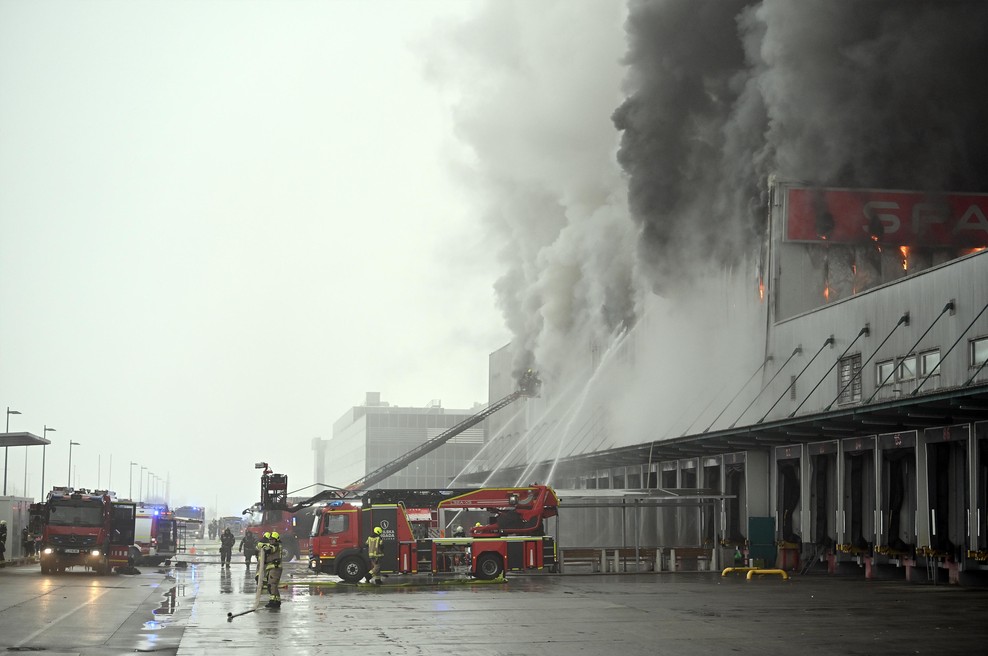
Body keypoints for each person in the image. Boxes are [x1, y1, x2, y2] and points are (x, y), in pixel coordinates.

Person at [257, 531, 284, 608]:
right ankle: (276, 600)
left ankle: (273, 601)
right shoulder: (273, 545)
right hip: (271, 568)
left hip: (275, 568)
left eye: (273, 540)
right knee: (271, 585)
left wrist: (262, 545)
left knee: (272, 584)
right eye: (270, 539)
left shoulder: (276, 546)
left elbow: (268, 549)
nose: (271, 541)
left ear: (276, 540)